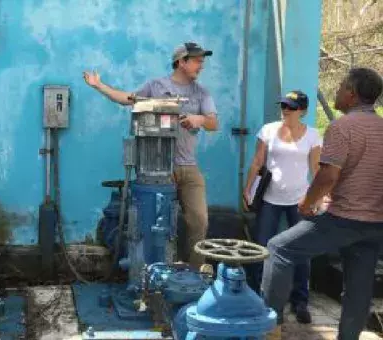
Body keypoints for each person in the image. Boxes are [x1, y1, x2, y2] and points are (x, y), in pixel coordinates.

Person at [262, 67, 383, 340]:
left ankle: (270, 328)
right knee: (358, 286)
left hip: (345, 218)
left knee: (278, 249)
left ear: (351, 95)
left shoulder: (342, 127)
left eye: (340, 87)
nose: (336, 91)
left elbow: (328, 174)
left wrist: (307, 202)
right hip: (376, 223)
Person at [83, 42, 219, 269]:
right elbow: (128, 99)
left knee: (199, 221)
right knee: (158, 224)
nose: (201, 66)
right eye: (197, 61)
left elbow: (214, 123)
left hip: (188, 167)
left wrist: (200, 120)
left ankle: (193, 275)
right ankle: (156, 273)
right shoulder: (156, 86)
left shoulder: (201, 93)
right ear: (181, 62)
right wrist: (99, 86)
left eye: (202, 61)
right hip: (158, 168)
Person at [243, 90, 322, 324]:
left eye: (291, 107)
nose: (286, 110)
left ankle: (300, 301)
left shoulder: (313, 135)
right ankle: (256, 296)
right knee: (260, 247)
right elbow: (258, 161)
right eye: (284, 106)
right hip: (269, 199)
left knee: (301, 250)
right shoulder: (268, 130)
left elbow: (316, 169)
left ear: (303, 111)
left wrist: (317, 198)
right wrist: (248, 189)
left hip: (299, 200)